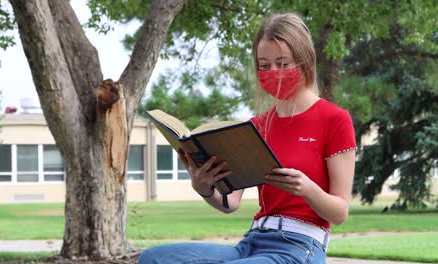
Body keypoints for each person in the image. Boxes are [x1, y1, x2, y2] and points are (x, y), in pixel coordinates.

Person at [138, 12, 356, 264]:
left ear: (304, 61)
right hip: (252, 243)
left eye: (283, 63)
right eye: (264, 65)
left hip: (300, 246)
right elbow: (230, 203)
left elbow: (340, 212)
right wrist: (204, 188)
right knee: (154, 258)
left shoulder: (335, 119)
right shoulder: (257, 126)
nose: (273, 72)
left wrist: (307, 189)